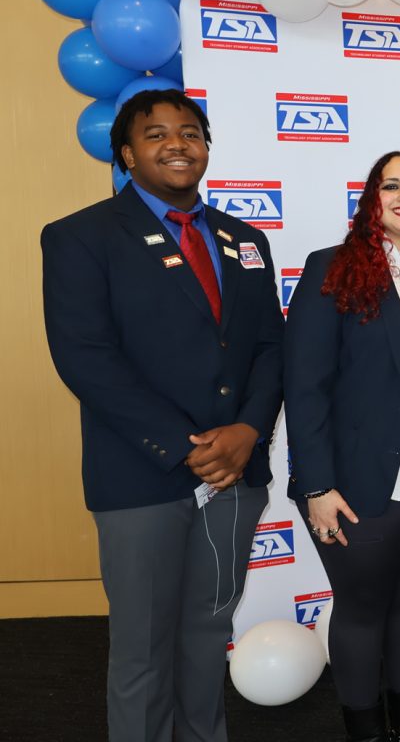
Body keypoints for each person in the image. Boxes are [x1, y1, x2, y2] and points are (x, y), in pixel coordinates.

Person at [41, 89, 283, 742]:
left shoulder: (245, 240)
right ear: (126, 153)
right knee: (144, 648)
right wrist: (186, 445)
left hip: (236, 473)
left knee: (206, 637)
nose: (177, 143)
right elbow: (86, 359)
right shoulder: (80, 237)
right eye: (156, 134)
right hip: (141, 475)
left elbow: (268, 348)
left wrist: (246, 434)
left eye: (191, 132)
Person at [285, 151, 400, 741]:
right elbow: (305, 385)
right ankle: (367, 732)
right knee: (362, 608)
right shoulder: (332, 268)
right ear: (372, 199)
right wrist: (316, 484)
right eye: (390, 184)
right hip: (357, 481)